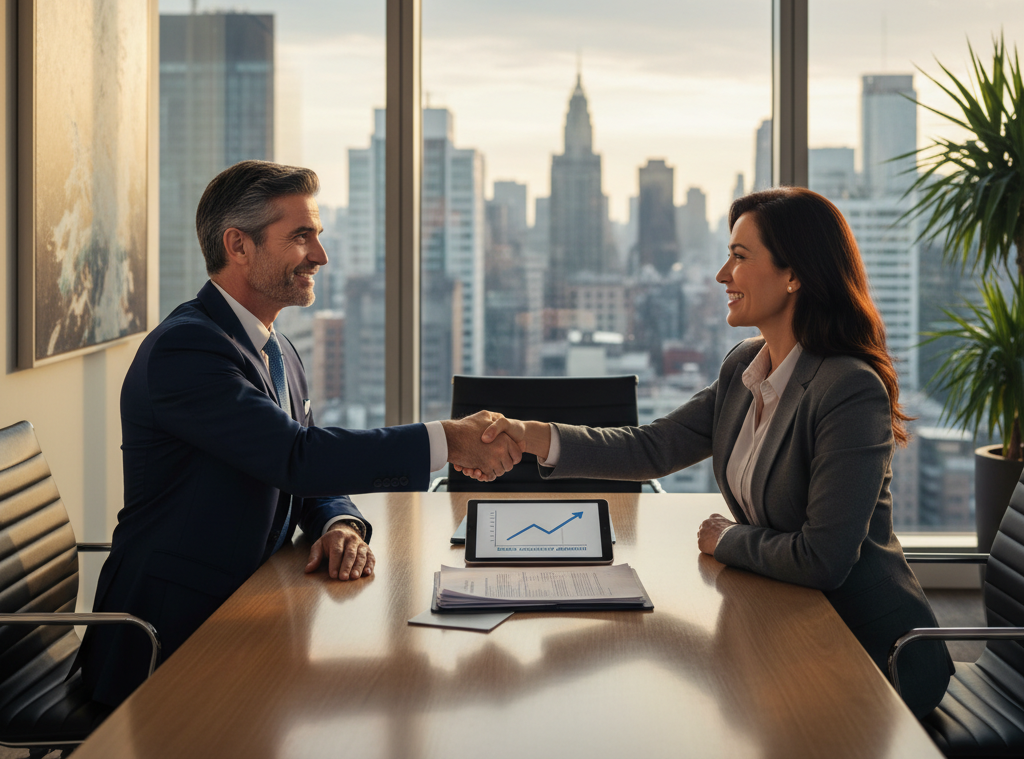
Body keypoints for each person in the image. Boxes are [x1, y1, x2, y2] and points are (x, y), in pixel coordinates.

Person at [464, 187, 953, 717]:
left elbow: (823, 560)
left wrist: (727, 539)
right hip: (783, 619)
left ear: (794, 275)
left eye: (739, 257)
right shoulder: (745, 365)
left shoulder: (848, 389)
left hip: (869, 654)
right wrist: (528, 434)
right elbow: (652, 448)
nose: (722, 275)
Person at [79, 160, 520, 708]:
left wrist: (337, 522)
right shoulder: (186, 350)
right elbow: (297, 456)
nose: (321, 255)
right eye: (301, 236)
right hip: (171, 634)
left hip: (254, 608)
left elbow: (300, 466)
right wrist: (446, 440)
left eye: (318, 235)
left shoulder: (277, 348)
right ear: (238, 245)